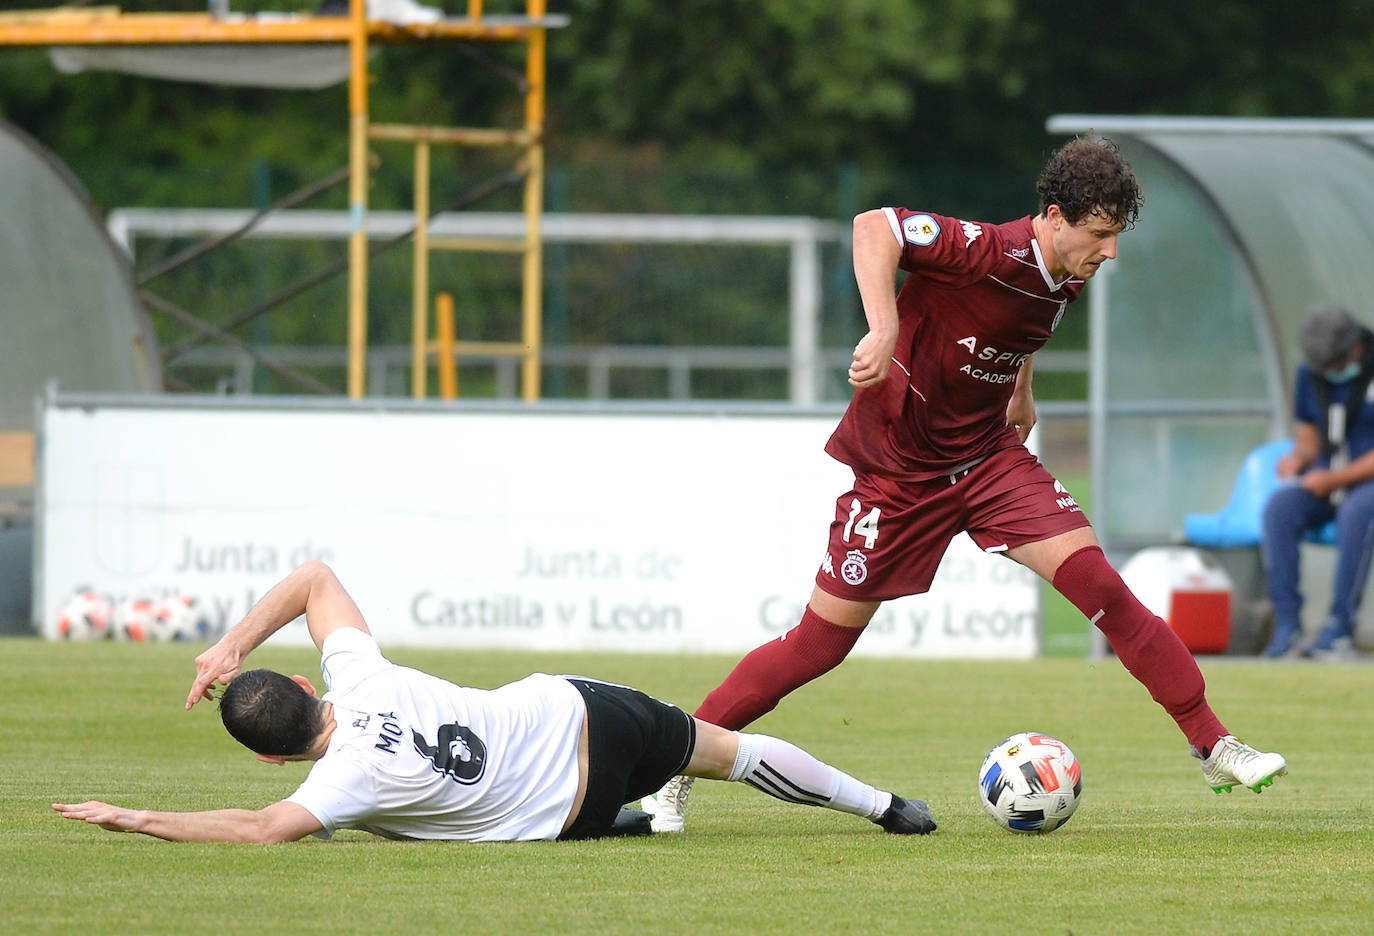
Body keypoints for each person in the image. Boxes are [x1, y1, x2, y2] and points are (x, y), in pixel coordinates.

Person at [642, 136, 1287, 833]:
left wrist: (1021, 387)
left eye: (1117, 236)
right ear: (1053, 216)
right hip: (898, 473)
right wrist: (883, 326)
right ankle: (676, 765)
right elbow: (873, 227)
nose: (1110, 252)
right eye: (1099, 234)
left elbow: (1022, 324)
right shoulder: (983, 248)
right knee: (817, 646)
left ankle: (1212, 742)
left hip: (988, 459)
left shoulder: (1068, 274)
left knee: (1101, 585)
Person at [52, 560, 936, 843]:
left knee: (457, 822)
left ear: (269, 757)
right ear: (302, 682)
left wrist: (129, 816)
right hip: (582, 711)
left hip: (565, 810)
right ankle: (887, 807)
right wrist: (232, 645)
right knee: (728, 753)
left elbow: (258, 829)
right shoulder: (361, 675)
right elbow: (316, 577)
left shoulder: (336, 788)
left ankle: (625, 822)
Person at [1260, 305, 1374, 659]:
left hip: (1365, 482)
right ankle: (1288, 626)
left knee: (1357, 512)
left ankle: (1340, 628)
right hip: (1329, 478)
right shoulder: (1310, 374)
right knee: (1280, 506)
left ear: (1355, 348)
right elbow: (1308, 437)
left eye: (1333, 365)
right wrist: (1298, 460)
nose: (1328, 373)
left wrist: (1336, 478)